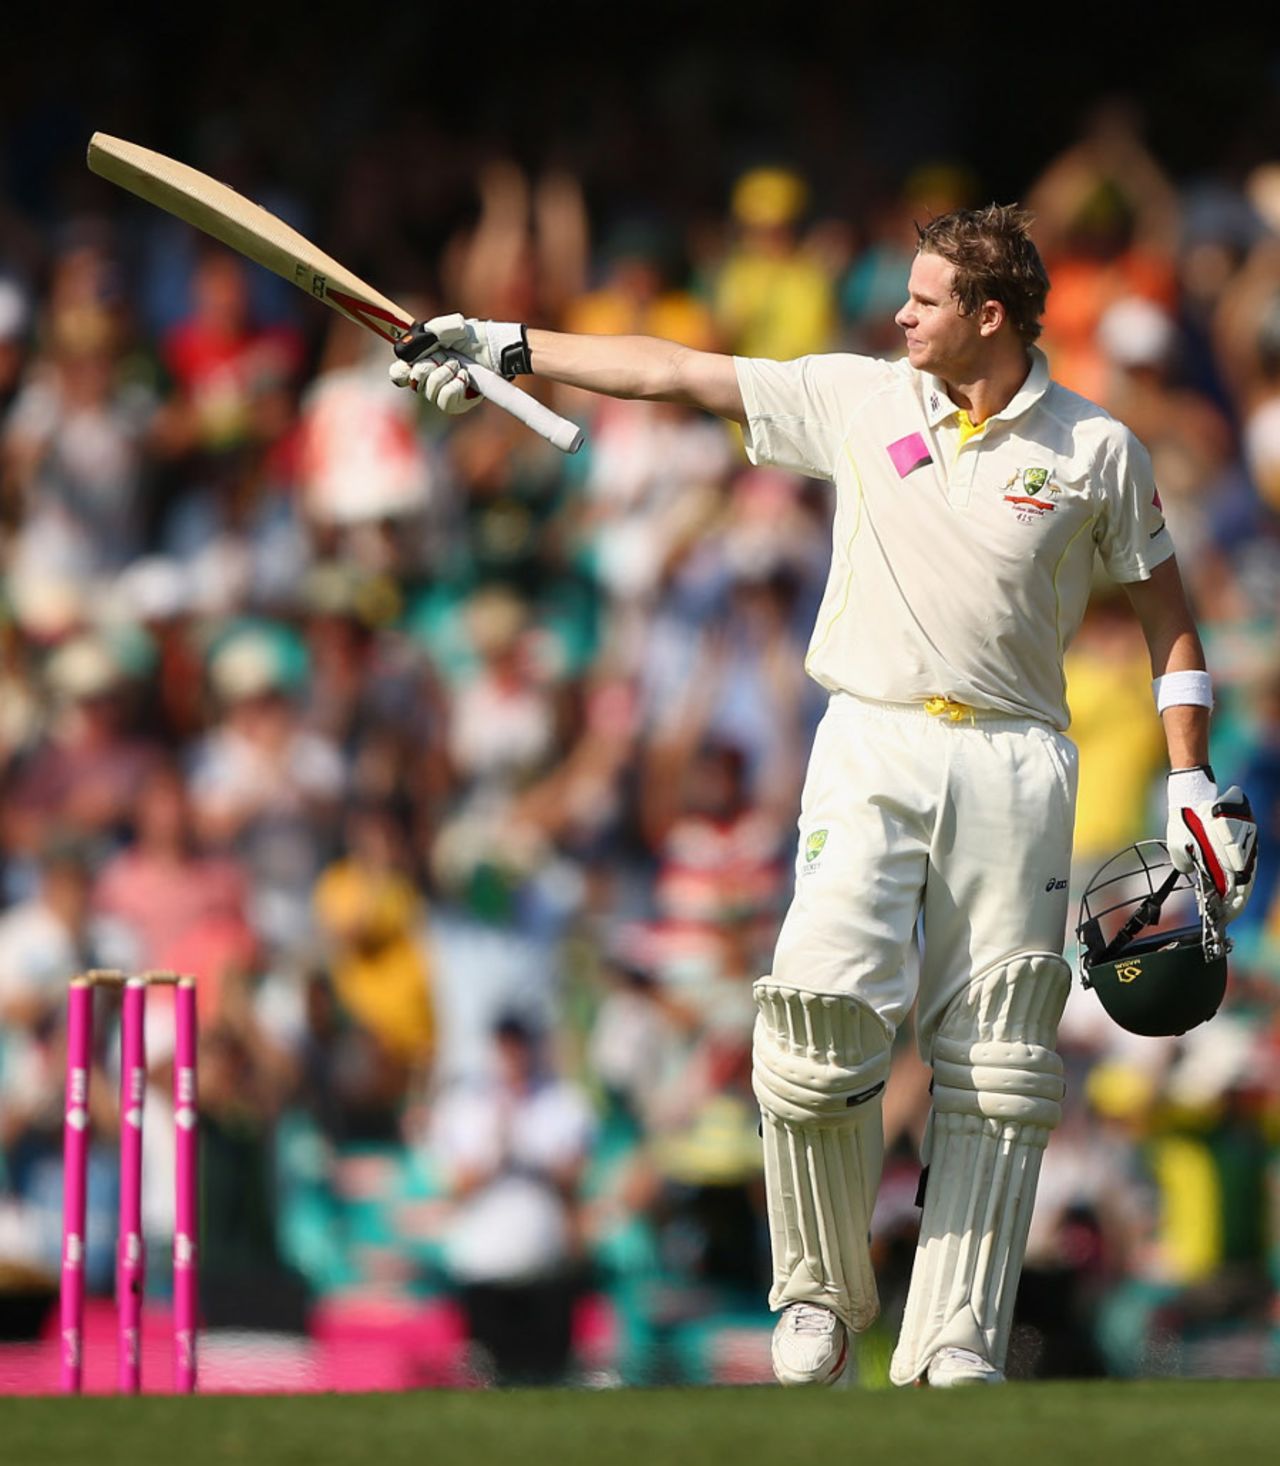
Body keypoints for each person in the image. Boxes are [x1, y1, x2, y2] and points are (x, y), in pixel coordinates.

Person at [389, 205, 1259, 1388]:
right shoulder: (860, 399)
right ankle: (815, 1294)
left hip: (1015, 755)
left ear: (988, 317)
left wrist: (1190, 774)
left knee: (997, 1062)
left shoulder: (1095, 447)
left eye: (924, 300)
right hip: (868, 736)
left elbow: (1169, 618)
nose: (898, 313)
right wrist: (507, 343)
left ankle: (952, 1333)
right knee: (810, 1017)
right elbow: (675, 371)